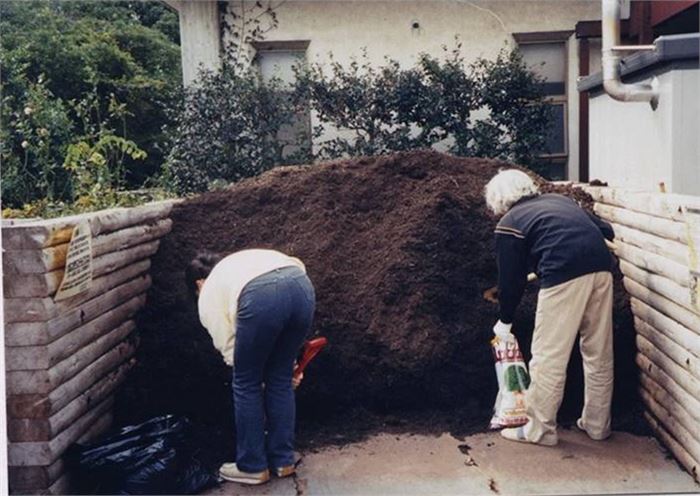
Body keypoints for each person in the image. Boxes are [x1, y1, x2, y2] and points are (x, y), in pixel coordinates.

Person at [484, 169, 615, 446]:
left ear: (498, 200)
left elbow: (511, 281)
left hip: (564, 275)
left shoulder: (510, 223)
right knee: (598, 351)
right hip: (602, 269)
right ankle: (597, 426)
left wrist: (504, 321)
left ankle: (539, 430)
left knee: (549, 355)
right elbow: (607, 230)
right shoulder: (561, 201)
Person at [186, 248, 316, 485]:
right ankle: (283, 460)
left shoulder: (208, 294)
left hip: (262, 295)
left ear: (198, 283)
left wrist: (254, 377)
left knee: (246, 382)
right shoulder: (238, 267)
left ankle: (252, 465)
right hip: (301, 285)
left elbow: (232, 353)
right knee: (281, 379)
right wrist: (289, 367)